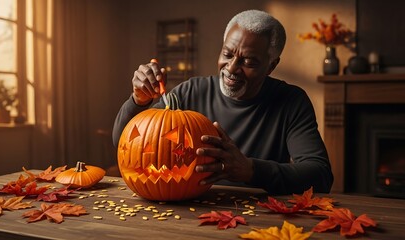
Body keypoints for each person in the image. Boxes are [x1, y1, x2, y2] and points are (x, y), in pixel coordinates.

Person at [112, 9, 333, 195]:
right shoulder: (191, 91)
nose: (232, 68)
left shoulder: (291, 101)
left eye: (248, 62)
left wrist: (251, 170)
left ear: (271, 65)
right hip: (189, 208)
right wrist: (138, 100)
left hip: (260, 214)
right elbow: (122, 142)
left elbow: (320, 175)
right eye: (227, 54)